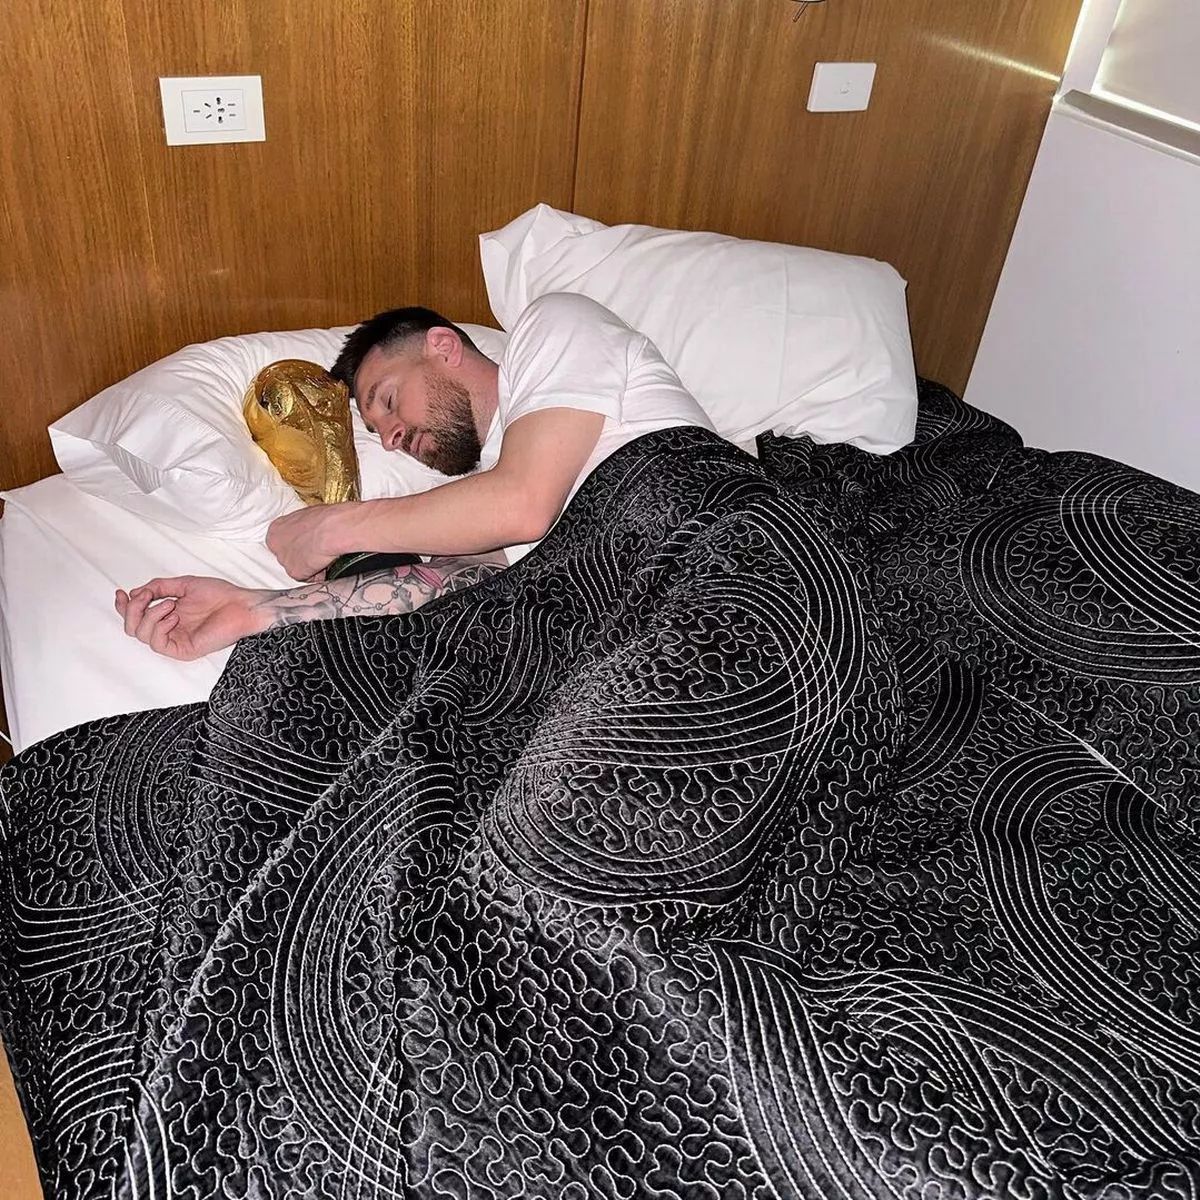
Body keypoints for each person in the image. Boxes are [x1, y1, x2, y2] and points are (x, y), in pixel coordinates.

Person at [116, 292, 714, 661]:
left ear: (443, 346)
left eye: (389, 401)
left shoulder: (554, 325)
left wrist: (331, 528)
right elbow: (443, 587)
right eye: (379, 434)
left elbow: (523, 503)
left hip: (720, 552)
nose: (393, 437)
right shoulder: (482, 497)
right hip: (638, 631)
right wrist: (257, 609)